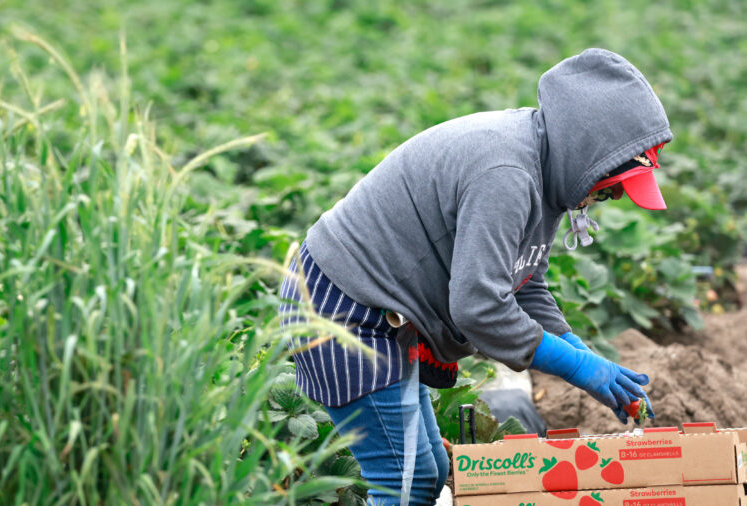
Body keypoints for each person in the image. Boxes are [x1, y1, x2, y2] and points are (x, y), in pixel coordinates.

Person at [278, 48, 668, 505]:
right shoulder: (505, 174)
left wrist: (578, 348)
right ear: (589, 155)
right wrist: (579, 368)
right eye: (612, 187)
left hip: (386, 315)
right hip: (344, 307)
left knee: (434, 469)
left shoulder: (547, 169)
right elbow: (479, 308)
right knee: (406, 482)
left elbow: (525, 283)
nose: (610, 196)